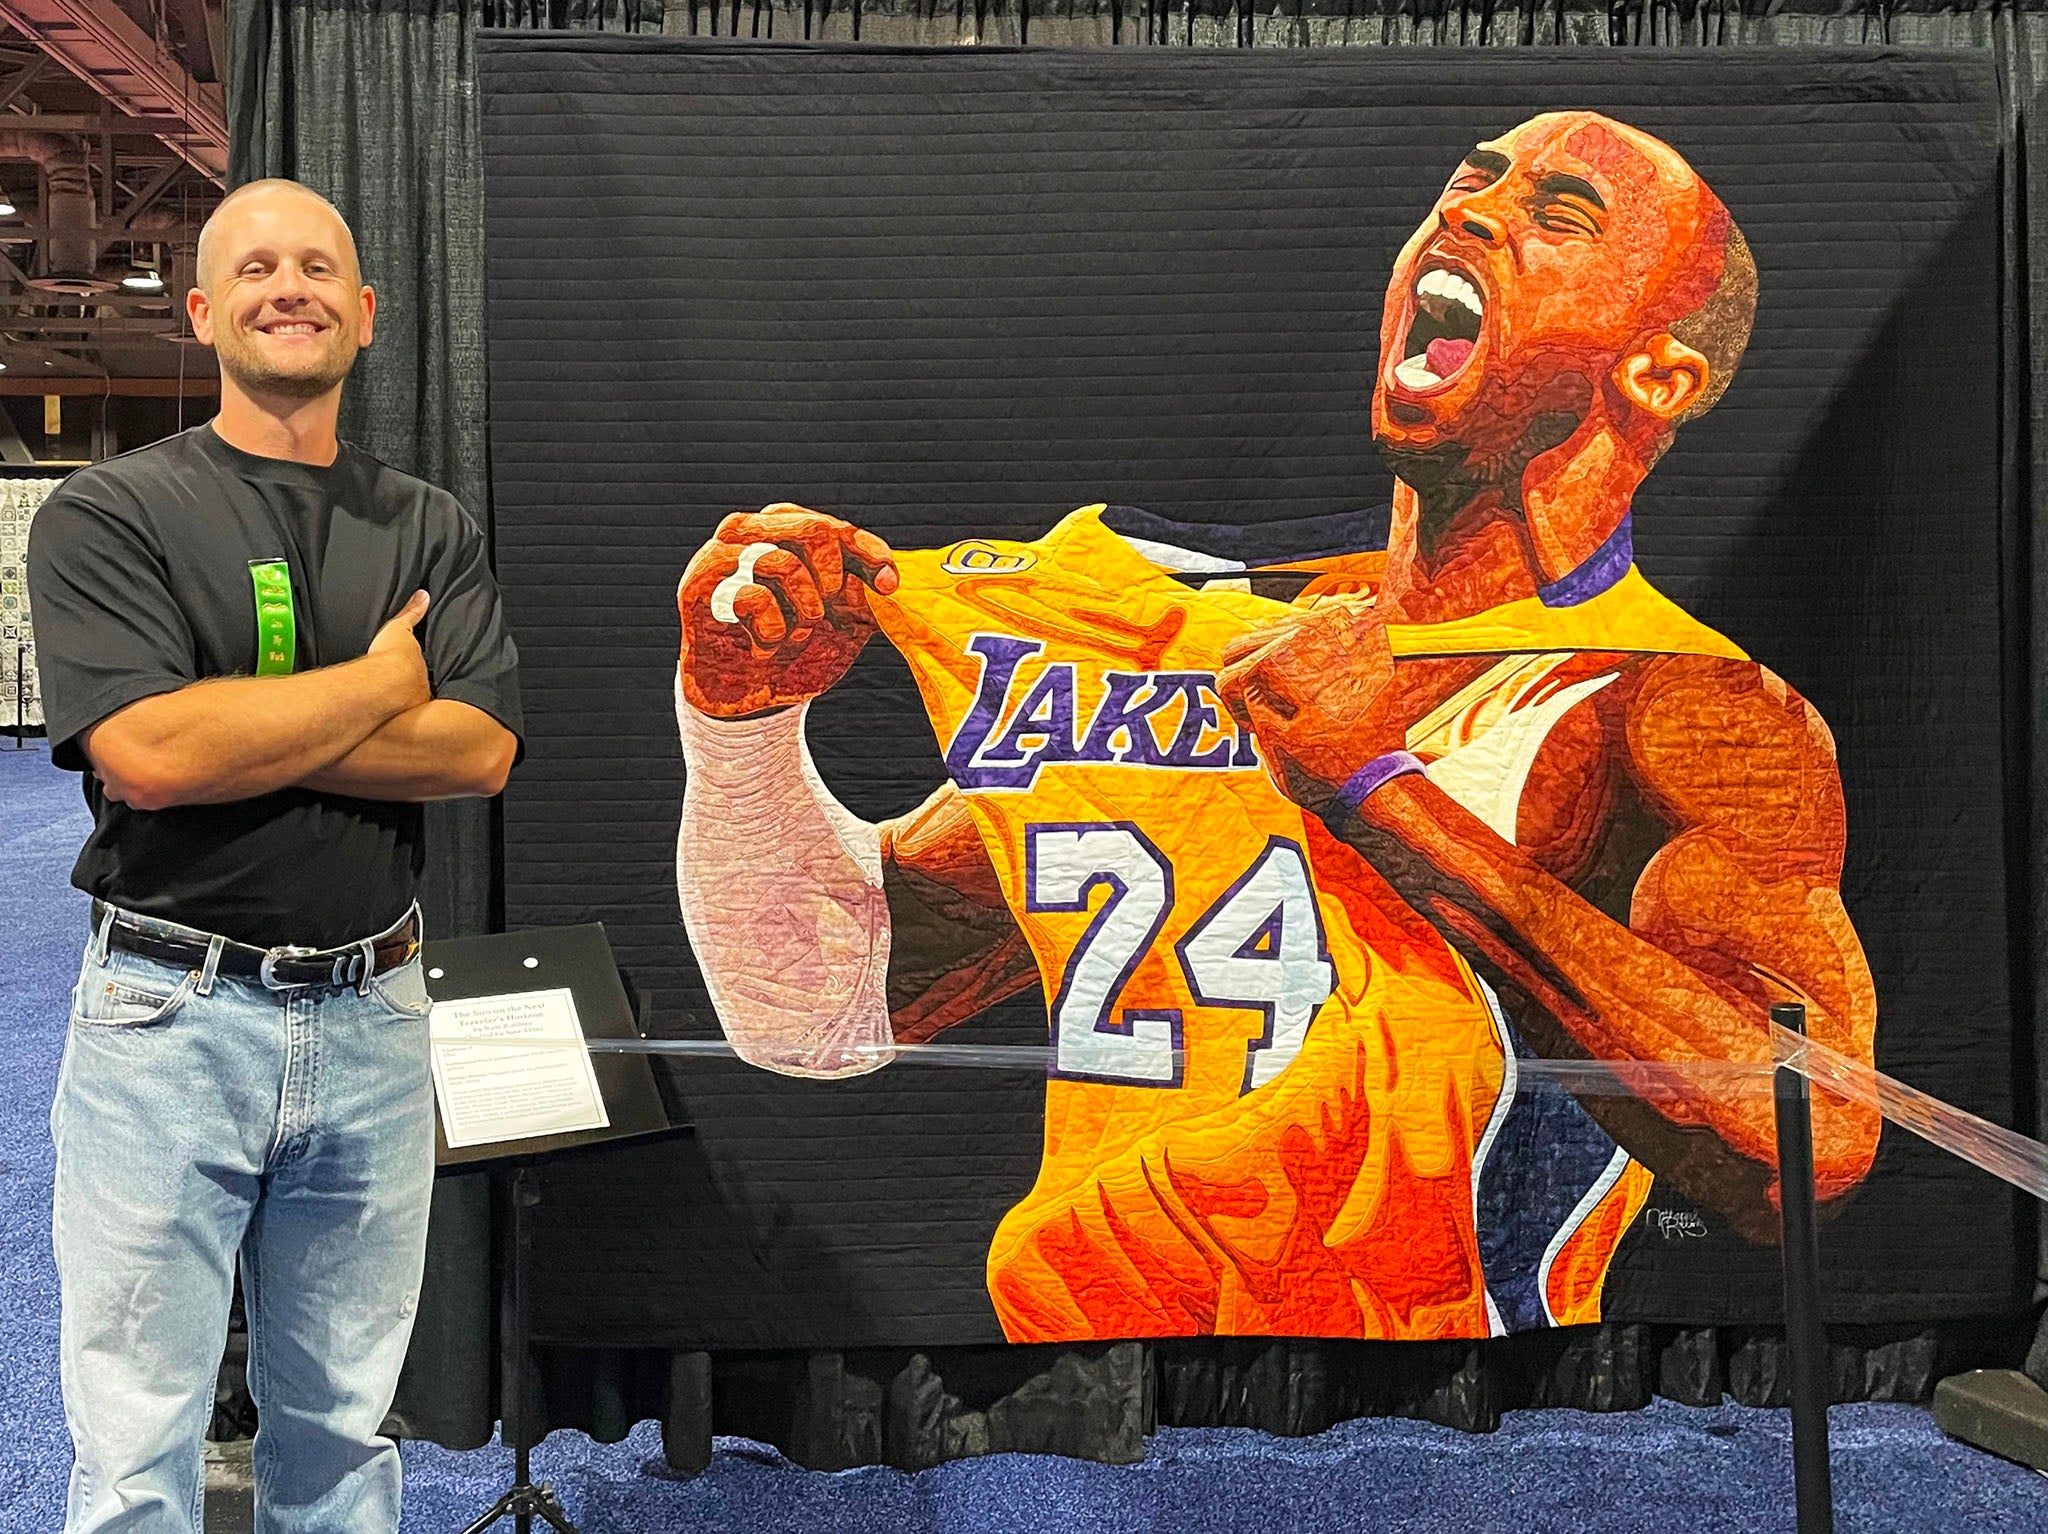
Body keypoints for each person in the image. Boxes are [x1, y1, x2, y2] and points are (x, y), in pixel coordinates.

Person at [670, 113, 1878, 1342]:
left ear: (1658, 374)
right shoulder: (1183, 628)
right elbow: (816, 1016)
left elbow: (1806, 1149)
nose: (1467, 212)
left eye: (1553, 215)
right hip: (1094, 1388)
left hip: (1405, 1415)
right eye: (1468, 183)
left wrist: (1375, 789)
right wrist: (743, 725)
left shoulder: (1680, 701)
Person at [27, 178, 521, 1533]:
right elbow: (149, 756)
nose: (286, 283)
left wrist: (235, 717)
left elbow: (478, 749)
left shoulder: (429, 525)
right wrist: (379, 685)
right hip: (165, 1020)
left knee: (344, 1434)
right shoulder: (110, 513)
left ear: (363, 315)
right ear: (203, 310)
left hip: (374, 1016)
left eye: (317, 266)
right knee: (133, 1453)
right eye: (253, 266)